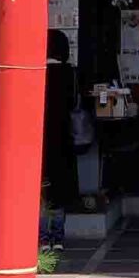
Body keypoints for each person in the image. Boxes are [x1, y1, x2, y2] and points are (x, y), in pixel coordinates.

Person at [42, 29, 80, 212]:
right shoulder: (68, 72)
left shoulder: (38, 71)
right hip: (63, 127)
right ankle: (62, 203)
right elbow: (73, 102)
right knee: (62, 167)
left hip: (41, 128)